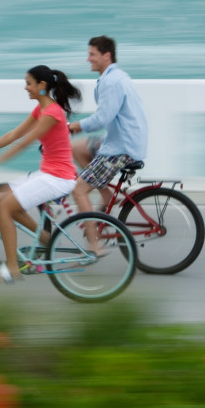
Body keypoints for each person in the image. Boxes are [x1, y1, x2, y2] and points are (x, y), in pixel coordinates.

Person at [0, 65, 81, 283]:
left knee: (4, 208)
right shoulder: (41, 109)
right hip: (47, 173)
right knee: (1, 200)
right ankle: (46, 240)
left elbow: (24, 143)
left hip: (58, 178)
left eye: (29, 83)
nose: (25, 87)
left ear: (42, 85)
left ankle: (12, 268)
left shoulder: (51, 113)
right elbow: (14, 134)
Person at [68, 36, 149, 253]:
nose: (88, 59)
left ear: (107, 55)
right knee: (77, 148)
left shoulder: (110, 82)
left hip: (120, 149)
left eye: (92, 54)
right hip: (123, 140)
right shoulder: (118, 76)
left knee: (78, 189)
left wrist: (74, 126)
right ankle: (107, 196)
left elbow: (101, 119)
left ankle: (95, 245)